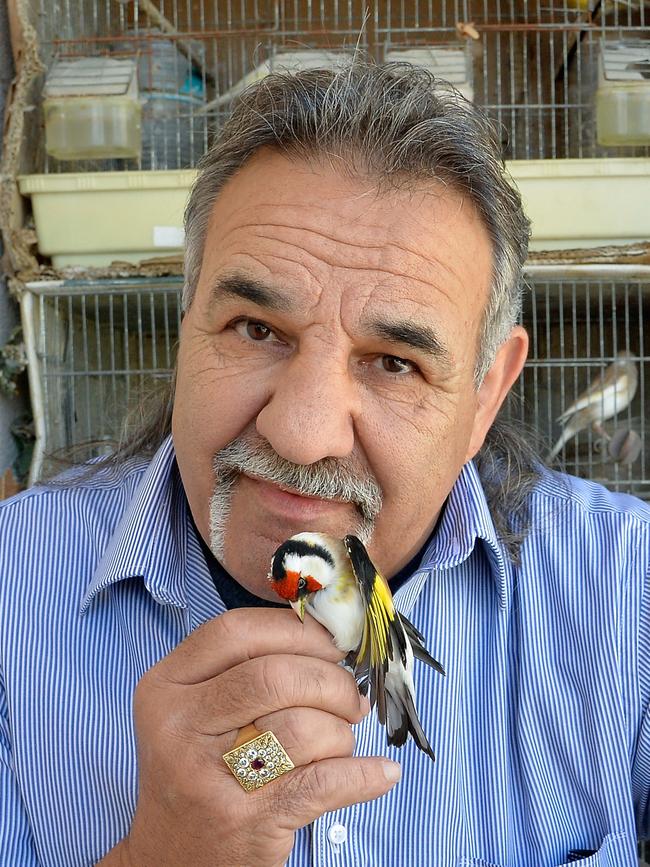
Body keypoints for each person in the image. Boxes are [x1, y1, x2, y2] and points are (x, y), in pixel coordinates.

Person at [1, 61, 648, 867]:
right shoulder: (9, 591)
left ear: (485, 396)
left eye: (393, 363)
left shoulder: (629, 591)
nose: (304, 434)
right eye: (255, 329)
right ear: (187, 319)